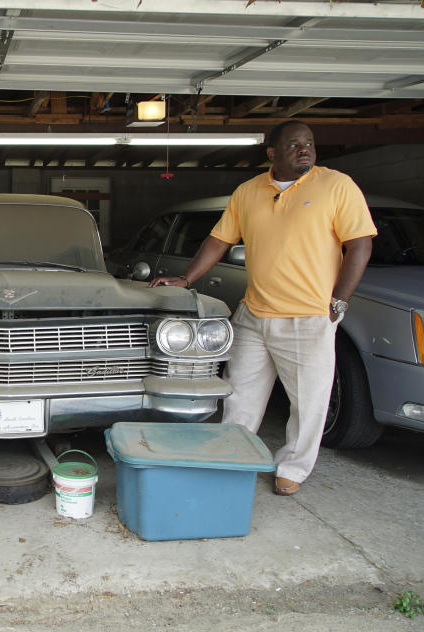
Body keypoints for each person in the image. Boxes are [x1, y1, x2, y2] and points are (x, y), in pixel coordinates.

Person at [150, 120, 376, 496]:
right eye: (294, 144)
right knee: (240, 395)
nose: (304, 149)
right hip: (254, 314)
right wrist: (186, 278)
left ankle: (293, 467)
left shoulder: (336, 186)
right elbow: (218, 240)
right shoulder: (249, 191)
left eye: (309, 143)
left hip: (307, 316)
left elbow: (360, 245)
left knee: (308, 402)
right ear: (272, 153)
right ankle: (232, 457)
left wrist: (339, 300)